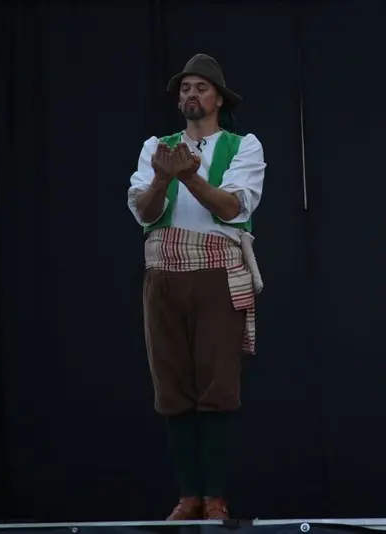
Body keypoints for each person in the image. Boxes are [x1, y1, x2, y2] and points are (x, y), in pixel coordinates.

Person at [127, 53, 266, 521]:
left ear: (219, 98)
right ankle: (188, 496)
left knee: (217, 384)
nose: (191, 95)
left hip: (215, 274)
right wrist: (165, 177)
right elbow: (145, 212)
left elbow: (232, 208)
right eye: (185, 88)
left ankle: (214, 496)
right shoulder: (156, 147)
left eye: (201, 88)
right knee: (172, 385)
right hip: (164, 274)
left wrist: (188, 176)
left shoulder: (243, 146)